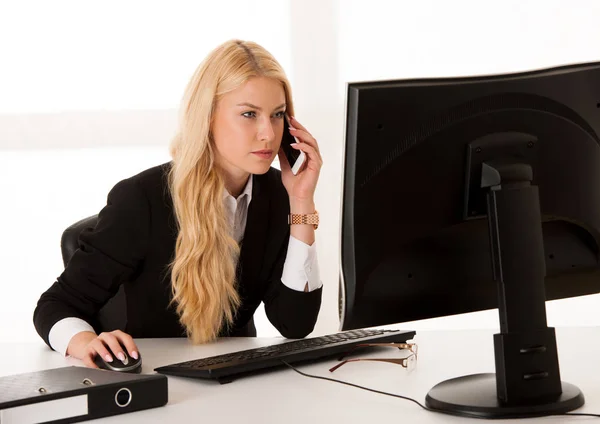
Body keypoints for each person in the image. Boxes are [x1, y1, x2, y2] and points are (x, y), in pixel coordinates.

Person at [33, 39, 323, 369]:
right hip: (154, 382)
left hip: (235, 383)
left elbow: (295, 324)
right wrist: (85, 342)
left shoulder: (277, 195)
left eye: (277, 115)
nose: (268, 134)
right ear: (208, 117)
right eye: (248, 114)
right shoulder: (142, 199)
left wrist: (301, 201)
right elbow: (54, 305)